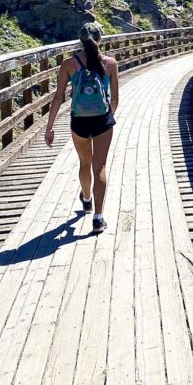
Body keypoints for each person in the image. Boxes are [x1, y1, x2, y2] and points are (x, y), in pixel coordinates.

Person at [45, 22, 120, 234]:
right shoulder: (110, 63)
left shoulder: (69, 64)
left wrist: (49, 128)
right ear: (100, 39)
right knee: (100, 167)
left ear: (81, 40)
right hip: (102, 120)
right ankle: (98, 218)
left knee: (84, 163)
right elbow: (115, 99)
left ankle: (86, 199)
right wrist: (107, 118)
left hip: (79, 121)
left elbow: (58, 96)